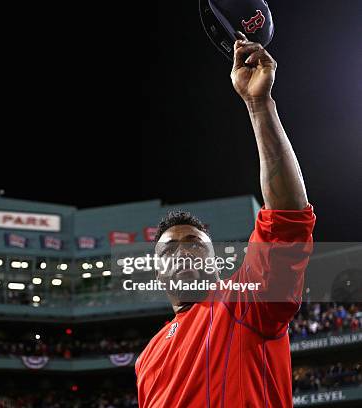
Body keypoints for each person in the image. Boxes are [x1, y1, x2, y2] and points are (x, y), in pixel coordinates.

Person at [135, 32, 316, 407]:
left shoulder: (245, 303)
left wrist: (258, 105)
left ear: (215, 262)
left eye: (194, 246)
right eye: (169, 249)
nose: (183, 254)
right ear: (157, 271)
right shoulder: (146, 359)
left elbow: (287, 220)